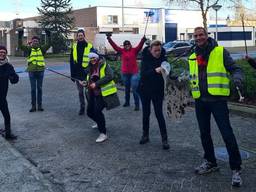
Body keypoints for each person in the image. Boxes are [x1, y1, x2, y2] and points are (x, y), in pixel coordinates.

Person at [189, 27, 243, 187]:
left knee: (227, 134)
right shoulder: (193, 55)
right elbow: (192, 77)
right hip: (200, 101)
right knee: (204, 134)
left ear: (207, 35)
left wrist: (238, 78)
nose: (199, 38)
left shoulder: (220, 51)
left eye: (201, 35)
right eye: (196, 36)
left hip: (217, 100)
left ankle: (236, 168)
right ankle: (211, 162)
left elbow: (236, 69)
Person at [80, 52, 120, 143]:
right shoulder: (89, 68)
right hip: (92, 93)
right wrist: (85, 83)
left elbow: (110, 76)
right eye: (91, 59)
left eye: (94, 58)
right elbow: (89, 80)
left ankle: (103, 133)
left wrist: (97, 84)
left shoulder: (104, 65)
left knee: (97, 111)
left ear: (97, 58)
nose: (92, 60)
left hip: (103, 93)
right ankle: (99, 122)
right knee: (90, 112)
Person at [137, 40, 170, 150]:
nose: (157, 53)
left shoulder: (163, 58)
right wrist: (154, 71)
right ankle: (145, 135)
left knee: (159, 114)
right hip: (145, 89)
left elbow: (168, 70)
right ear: (150, 50)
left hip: (157, 90)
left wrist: (168, 72)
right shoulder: (145, 58)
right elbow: (143, 74)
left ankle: (164, 139)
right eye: (155, 51)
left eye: (159, 50)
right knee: (146, 113)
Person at [106, 33, 146, 111]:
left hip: (134, 73)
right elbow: (114, 46)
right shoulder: (121, 51)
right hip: (125, 73)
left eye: (128, 44)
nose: (127, 46)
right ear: (124, 46)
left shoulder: (134, 50)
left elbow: (140, 46)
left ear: (130, 45)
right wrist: (109, 39)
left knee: (134, 88)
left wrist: (143, 40)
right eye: (125, 45)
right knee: (127, 88)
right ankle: (127, 102)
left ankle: (137, 104)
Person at [18, 29, 51, 112]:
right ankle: (33, 106)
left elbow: (49, 44)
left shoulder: (42, 49)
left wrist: (49, 35)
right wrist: (20, 36)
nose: (35, 42)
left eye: (36, 41)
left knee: (39, 88)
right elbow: (20, 46)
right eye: (34, 41)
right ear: (31, 42)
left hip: (40, 71)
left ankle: (39, 105)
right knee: (33, 89)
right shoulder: (29, 49)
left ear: (38, 42)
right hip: (31, 72)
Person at [70, 29, 95, 115]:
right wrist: (72, 74)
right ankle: (82, 107)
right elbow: (71, 61)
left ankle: (90, 107)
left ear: (84, 36)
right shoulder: (74, 46)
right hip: (77, 73)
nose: (80, 37)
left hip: (87, 73)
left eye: (81, 35)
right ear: (77, 37)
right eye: (79, 35)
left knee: (88, 92)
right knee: (80, 92)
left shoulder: (89, 46)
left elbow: (94, 58)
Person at [0, 45, 19, 140]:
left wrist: (13, 77)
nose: (2, 53)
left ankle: (8, 134)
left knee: (7, 116)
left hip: (2, 97)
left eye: (4, 52)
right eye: (1, 52)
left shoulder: (8, 66)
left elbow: (15, 79)